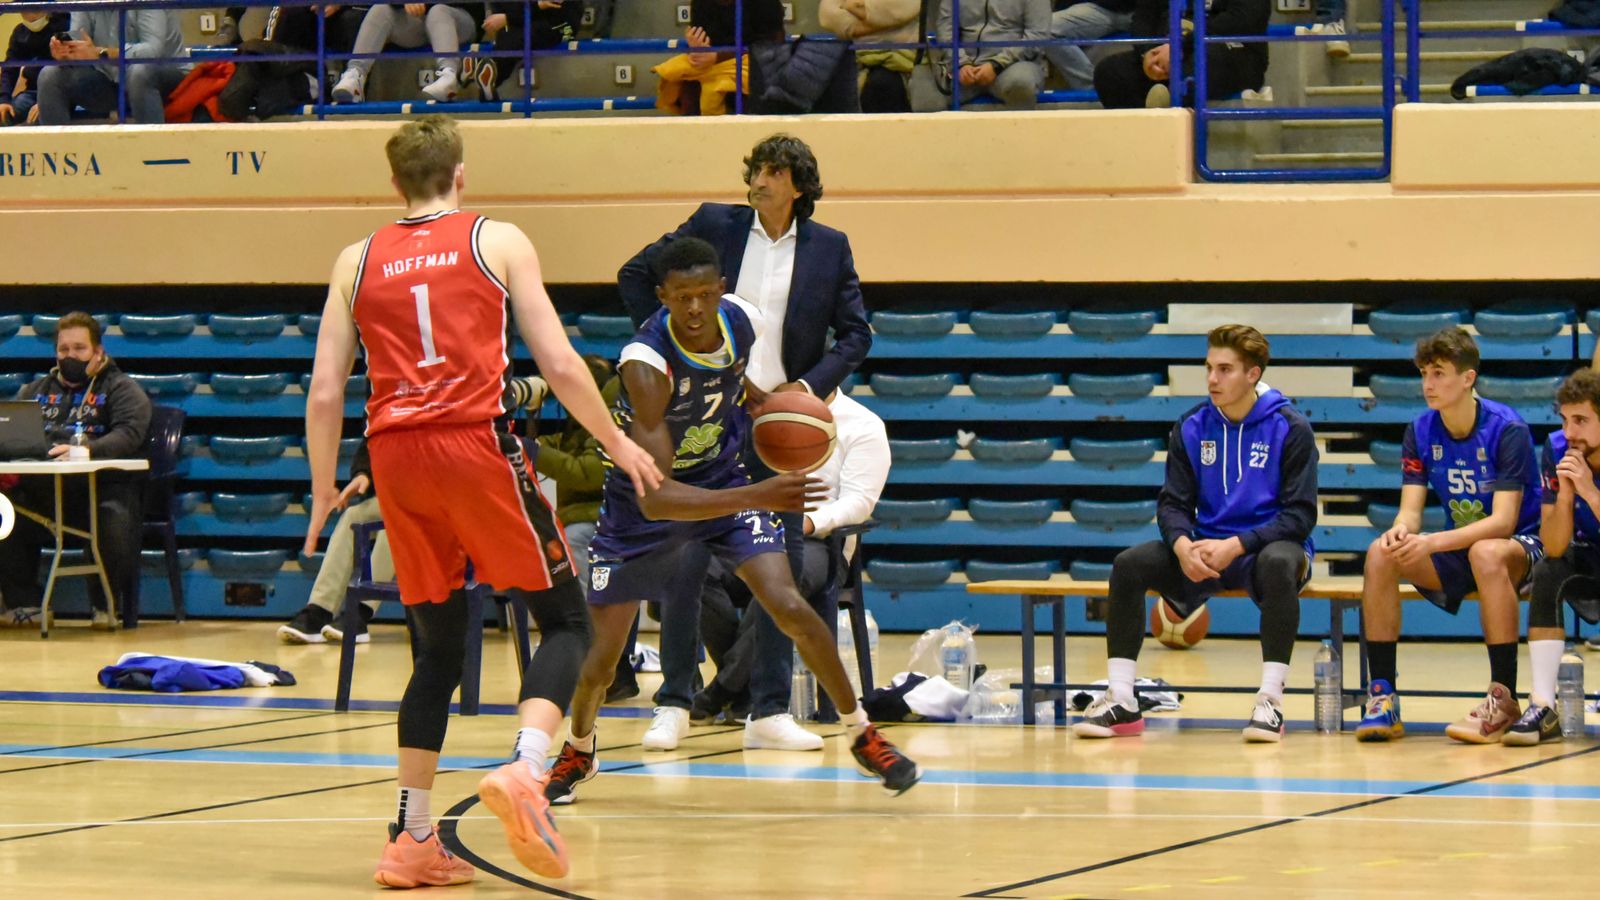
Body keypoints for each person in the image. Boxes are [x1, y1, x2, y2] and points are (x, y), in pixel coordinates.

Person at [302, 114, 661, 887]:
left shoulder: (355, 260)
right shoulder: (496, 240)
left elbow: (327, 388)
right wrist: (617, 441)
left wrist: (323, 486)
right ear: (459, 174)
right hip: (473, 443)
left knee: (435, 647)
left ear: (394, 183)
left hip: (395, 456)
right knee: (565, 620)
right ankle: (528, 770)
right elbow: (558, 361)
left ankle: (411, 837)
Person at [542, 237, 919, 804]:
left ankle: (862, 734)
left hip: (722, 478)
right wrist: (762, 491)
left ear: (722, 289)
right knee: (602, 657)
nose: (695, 308)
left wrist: (762, 403)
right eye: (682, 298)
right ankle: (579, 748)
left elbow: (730, 375)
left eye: (704, 294)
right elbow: (657, 499)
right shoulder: (646, 367)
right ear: (662, 297)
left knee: (789, 603)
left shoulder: (741, 320)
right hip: (642, 506)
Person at [615, 133, 871, 752]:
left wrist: (804, 389)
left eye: (774, 171)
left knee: (781, 565)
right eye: (755, 168)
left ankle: (769, 710)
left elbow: (856, 334)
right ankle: (674, 702)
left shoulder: (829, 247)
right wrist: (666, 349)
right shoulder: (715, 223)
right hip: (707, 416)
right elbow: (635, 274)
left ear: (798, 186)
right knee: (684, 560)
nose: (759, 180)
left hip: (776, 424)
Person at [1073, 325, 1318, 743]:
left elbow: (1300, 515)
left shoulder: (1290, 427)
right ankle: (1122, 700)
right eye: (1209, 368)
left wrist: (1238, 545)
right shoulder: (1191, 426)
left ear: (1253, 374)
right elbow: (1172, 504)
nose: (1212, 379)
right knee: (1129, 565)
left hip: (1263, 549)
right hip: (1204, 548)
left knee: (1280, 562)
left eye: (1225, 369)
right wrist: (1182, 544)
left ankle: (1270, 702)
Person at [1356, 327, 1542, 744]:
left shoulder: (1507, 429)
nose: (1428, 384)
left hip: (1524, 546)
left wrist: (1432, 542)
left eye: (1439, 373)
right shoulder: (1420, 431)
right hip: (1464, 545)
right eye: (1424, 373)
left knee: (1487, 552)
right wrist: (1400, 532)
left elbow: (1504, 522)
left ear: (1468, 378)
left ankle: (1503, 699)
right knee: (1380, 553)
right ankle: (1383, 696)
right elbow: (1410, 511)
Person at [691, 388, 891, 723]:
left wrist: (808, 522)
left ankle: (721, 691)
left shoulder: (864, 424)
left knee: (782, 579)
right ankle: (741, 690)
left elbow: (859, 502)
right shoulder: (753, 414)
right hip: (750, 532)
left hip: (819, 543)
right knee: (695, 569)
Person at [0, 312, 152, 630]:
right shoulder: (34, 391)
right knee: (4, 510)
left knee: (114, 516)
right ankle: (25, 604)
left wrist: (86, 450)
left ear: (98, 351)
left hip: (99, 492)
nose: (70, 356)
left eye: (79, 349)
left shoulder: (123, 389)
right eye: (63, 349)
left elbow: (129, 434)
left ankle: (104, 606)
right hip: (42, 498)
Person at [1514, 368, 1600, 745]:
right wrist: (1566, 494)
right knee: (1548, 570)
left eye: (1581, 420)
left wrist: (1590, 492)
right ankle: (1543, 705)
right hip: (1590, 553)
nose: (1570, 432)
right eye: (1565, 420)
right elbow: (1553, 545)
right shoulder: (1558, 448)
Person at [279, 438, 387, 644]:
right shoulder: (383, 415)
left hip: (438, 499)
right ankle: (320, 610)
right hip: (397, 495)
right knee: (354, 516)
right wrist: (363, 473)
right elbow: (371, 439)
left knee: (396, 523)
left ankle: (360, 612)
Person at [1091, 0, 1269, 109]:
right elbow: (1143, 18)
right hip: (1167, 51)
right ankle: (1138, 143)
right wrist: (1148, 53)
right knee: (1110, 71)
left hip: (1230, 51)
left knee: (1200, 64)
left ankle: (1170, 124)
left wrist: (1181, 46)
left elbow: (1245, 19)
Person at [37, 6, 183, 125]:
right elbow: (78, 40)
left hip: (166, 79)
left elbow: (152, 51)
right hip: (110, 79)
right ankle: (59, 150)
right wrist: (66, 51)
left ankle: (153, 148)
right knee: (50, 75)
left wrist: (101, 52)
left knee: (139, 72)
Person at [908, 0, 1051, 112]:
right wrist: (961, 63)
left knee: (1020, 83)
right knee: (922, 86)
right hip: (962, 67)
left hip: (1013, 65)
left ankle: (1018, 138)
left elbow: (1037, 36)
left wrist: (997, 65)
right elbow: (945, 30)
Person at [329, 3, 483, 103]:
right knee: (380, 9)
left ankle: (449, 76)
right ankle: (355, 75)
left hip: (458, 18)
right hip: (420, 21)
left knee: (438, 11)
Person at [653, 0, 785, 115]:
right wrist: (697, 49)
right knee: (684, 84)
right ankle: (695, 133)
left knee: (748, 90)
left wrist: (717, 56)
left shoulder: (763, 3)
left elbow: (774, 44)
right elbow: (702, 41)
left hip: (754, 60)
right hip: (712, 62)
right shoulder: (701, 3)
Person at [818, 0, 920, 112]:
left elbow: (900, 10)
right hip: (853, 61)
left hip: (904, 61)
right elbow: (828, 16)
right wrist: (886, 21)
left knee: (882, 83)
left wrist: (853, 10)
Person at [1043, 0, 1135, 90]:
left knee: (1046, 29)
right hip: (1083, 6)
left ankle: (1092, 88)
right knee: (1040, 26)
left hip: (1114, 9)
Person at [0, 10, 66, 126]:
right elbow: (10, 68)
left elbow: (72, 68)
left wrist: (49, 100)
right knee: (4, 116)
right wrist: (4, 100)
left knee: (45, 116)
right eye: (24, 11)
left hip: (62, 92)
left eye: (35, 9)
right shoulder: (21, 32)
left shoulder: (64, 27)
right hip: (31, 92)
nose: (30, 16)